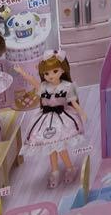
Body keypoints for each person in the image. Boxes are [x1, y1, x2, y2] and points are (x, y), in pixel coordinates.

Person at [17, 52, 85, 188]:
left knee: (60, 147)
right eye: (47, 73)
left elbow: (73, 102)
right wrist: (22, 72)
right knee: (50, 148)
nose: (50, 76)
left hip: (62, 117)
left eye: (54, 71)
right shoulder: (44, 87)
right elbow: (33, 81)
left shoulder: (67, 86)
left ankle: (70, 168)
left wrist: (81, 112)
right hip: (46, 119)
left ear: (62, 70)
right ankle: (55, 171)